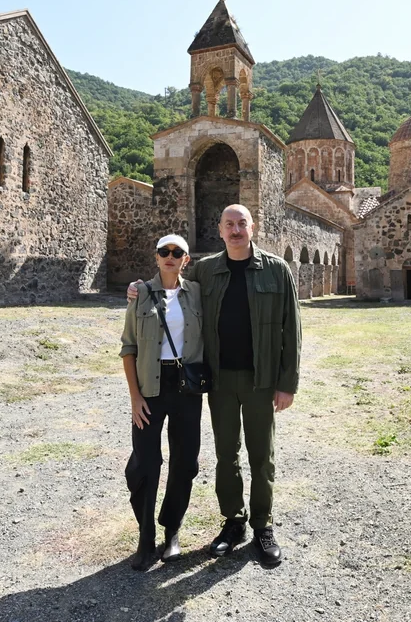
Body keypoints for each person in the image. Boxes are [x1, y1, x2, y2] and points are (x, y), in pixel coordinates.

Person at [126, 204, 301, 567]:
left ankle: (262, 527)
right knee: (226, 455)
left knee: (261, 456)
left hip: (261, 380)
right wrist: (138, 288)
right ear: (220, 230)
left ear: (253, 227)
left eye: (241, 224)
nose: (235, 230)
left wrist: (288, 384)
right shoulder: (206, 270)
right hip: (218, 378)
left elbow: (292, 330)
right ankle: (233, 522)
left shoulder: (277, 270)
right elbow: (170, 280)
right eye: (229, 225)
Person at [119, 234, 205, 571]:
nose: (170, 257)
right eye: (163, 252)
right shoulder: (139, 293)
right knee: (145, 463)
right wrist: (134, 396)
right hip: (149, 388)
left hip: (186, 388)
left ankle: (171, 530)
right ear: (156, 257)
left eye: (177, 252)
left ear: (186, 259)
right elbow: (128, 347)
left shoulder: (197, 293)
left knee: (185, 463)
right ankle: (145, 536)